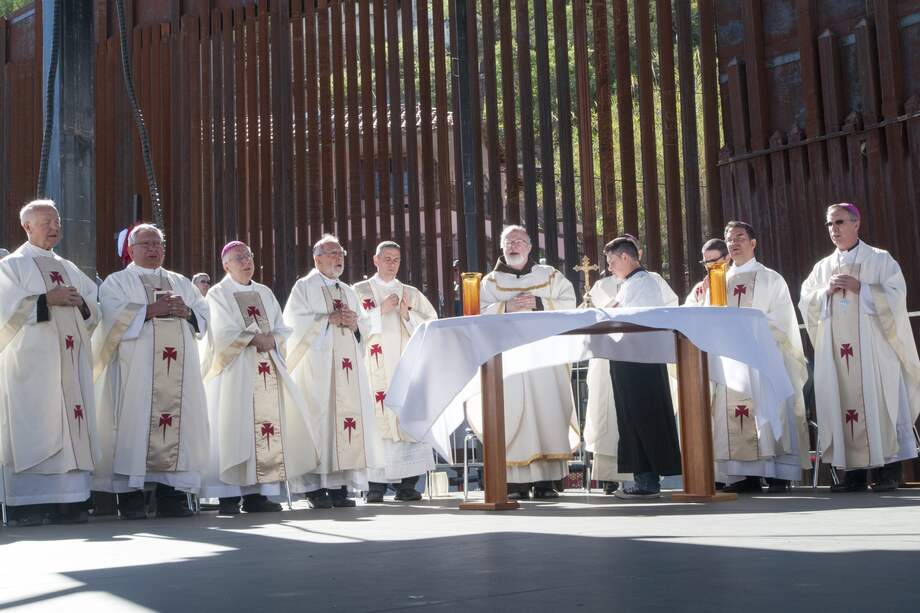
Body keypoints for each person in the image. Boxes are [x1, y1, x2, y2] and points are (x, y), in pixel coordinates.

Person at [800, 203, 920, 492]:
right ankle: (853, 475)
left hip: (873, 353)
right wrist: (824, 293)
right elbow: (806, 301)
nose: (834, 229)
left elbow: (896, 297)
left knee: (881, 403)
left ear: (856, 224)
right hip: (838, 356)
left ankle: (888, 473)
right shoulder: (823, 268)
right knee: (842, 403)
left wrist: (862, 289)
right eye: (830, 224)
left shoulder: (880, 259)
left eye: (840, 222)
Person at [93, 224, 210, 519]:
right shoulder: (117, 282)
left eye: (158, 243)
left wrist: (188, 313)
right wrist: (149, 310)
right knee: (134, 425)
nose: (154, 249)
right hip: (137, 372)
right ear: (131, 249)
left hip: (179, 374)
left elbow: (203, 315)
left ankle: (172, 496)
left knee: (178, 425)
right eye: (146, 244)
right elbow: (111, 320)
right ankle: (130, 499)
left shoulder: (180, 282)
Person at [200, 241, 320, 514]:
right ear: (226, 265)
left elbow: (281, 327)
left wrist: (273, 339)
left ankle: (258, 495)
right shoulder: (218, 294)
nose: (246, 261)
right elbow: (220, 332)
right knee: (234, 429)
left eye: (249, 256)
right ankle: (229, 496)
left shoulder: (264, 292)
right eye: (239, 258)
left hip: (267, 368)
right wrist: (253, 339)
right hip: (234, 373)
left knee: (266, 431)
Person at [0, 200, 99, 526]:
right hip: (33, 368)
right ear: (27, 226)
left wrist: (81, 304)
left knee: (72, 428)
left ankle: (71, 502)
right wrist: (46, 299)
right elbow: (5, 312)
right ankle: (28, 505)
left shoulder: (68, 267)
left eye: (56, 221)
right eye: (46, 222)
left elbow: (95, 310)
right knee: (35, 426)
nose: (54, 227)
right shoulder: (11, 267)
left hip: (71, 363)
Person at [694, 222, 810, 494]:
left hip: (763, 358)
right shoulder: (718, 280)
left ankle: (778, 474)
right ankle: (746, 475)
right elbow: (709, 316)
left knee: (769, 410)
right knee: (736, 413)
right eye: (729, 239)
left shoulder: (771, 279)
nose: (734, 243)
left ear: (753, 243)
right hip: (731, 361)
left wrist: (750, 327)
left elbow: (782, 320)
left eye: (740, 238)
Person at [468, 225, 579, 499]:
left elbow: (570, 302)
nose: (514, 245)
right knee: (509, 414)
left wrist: (539, 303)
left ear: (530, 247)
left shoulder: (549, 275)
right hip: (508, 360)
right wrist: (505, 307)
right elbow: (475, 313)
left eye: (519, 241)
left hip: (545, 358)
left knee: (547, 412)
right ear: (501, 247)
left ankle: (546, 482)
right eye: (509, 241)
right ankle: (514, 484)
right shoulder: (490, 282)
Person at [283, 235, 383, 509]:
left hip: (347, 368)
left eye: (341, 253)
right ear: (317, 259)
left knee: (345, 423)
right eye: (332, 253)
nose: (338, 258)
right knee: (319, 422)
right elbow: (294, 325)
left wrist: (355, 324)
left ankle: (340, 486)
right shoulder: (304, 287)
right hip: (317, 369)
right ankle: (315, 488)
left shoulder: (347, 291)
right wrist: (328, 320)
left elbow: (365, 326)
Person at [584, 236, 678, 495]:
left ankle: (647, 481)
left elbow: (633, 318)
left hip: (640, 362)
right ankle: (643, 479)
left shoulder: (645, 283)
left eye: (612, 261)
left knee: (642, 419)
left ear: (626, 257)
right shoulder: (631, 284)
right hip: (630, 360)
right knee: (631, 419)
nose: (609, 267)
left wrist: (608, 314)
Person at [353, 241, 439, 503]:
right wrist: (380, 311)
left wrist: (407, 315)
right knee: (376, 424)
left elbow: (432, 325)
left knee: (406, 421)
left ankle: (407, 485)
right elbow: (352, 326)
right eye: (387, 258)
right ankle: (375, 486)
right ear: (375, 260)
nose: (391, 263)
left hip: (405, 369)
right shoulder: (359, 291)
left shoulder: (411, 293)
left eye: (396, 259)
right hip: (373, 368)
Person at [684, 238, 730, 306]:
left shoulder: (735, 282)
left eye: (713, 261)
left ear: (727, 258)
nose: (709, 267)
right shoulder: (699, 289)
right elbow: (688, 311)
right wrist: (705, 298)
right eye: (705, 263)